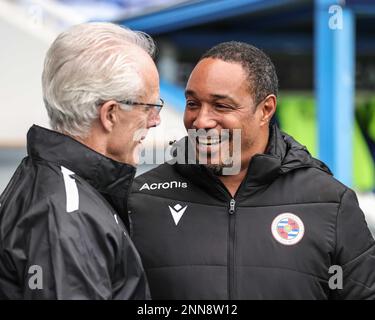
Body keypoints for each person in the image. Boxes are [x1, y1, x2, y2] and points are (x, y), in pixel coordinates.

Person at [128, 41, 375, 299]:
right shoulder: (141, 200)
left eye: (221, 106)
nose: (201, 120)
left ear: (265, 109)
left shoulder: (330, 202)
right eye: (192, 104)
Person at [0, 22, 163, 299]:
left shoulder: (57, 188)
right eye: (149, 107)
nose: (156, 120)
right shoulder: (67, 213)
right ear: (110, 114)